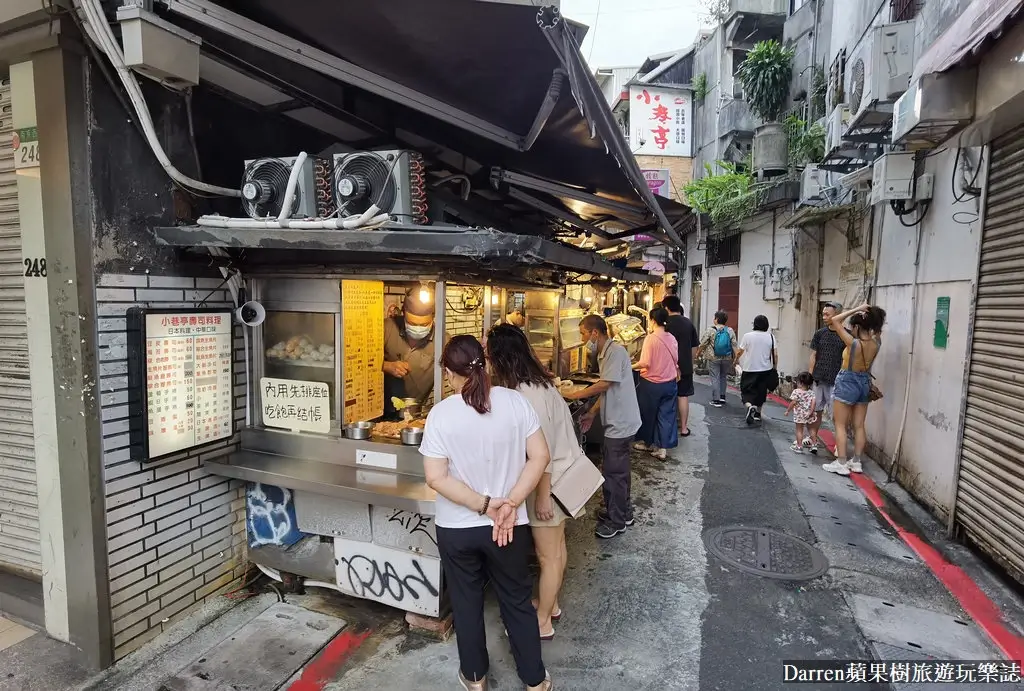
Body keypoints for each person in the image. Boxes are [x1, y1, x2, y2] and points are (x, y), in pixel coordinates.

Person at [419, 335, 553, 691]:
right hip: (508, 526)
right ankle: (535, 681)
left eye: (446, 373)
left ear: (450, 372)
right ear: (486, 363)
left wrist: (485, 504)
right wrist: (509, 503)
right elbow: (540, 457)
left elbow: (435, 477)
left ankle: (475, 679)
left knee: (466, 601)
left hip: (458, 528)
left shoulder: (440, 414)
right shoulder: (516, 403)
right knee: (516, 600)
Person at [487, 323, 583, 640]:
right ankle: (550, 604)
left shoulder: (527, 394)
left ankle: (541, 621)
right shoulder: (539, 383)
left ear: (501, 359)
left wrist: (542, 497)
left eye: (490, 356)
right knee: (557, 548)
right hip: (566, 477)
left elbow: (544, 452)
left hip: (552, 485)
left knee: (547, 556)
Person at [564, 315, 642, 539]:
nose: (582, 338)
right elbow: (608, 389)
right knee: (620, 472)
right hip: (620, 422)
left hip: (621, 424)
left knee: (613, 473)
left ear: (594, 333)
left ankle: (616, 521)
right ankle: (623, 512)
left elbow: (605, 383)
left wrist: (575, 394)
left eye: (583, 334)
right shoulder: (605, 353)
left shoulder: (615, 352)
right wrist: (591, 412)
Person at [822, 304, 887, 477]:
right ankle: (856, 462)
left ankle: (841, 462)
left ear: (857, 327)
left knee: (840, 424)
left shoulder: (853, 343)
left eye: (852, 327)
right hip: (864, 382)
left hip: (847, 381)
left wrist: (858, 308)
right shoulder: (876, 342)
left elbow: (835, 320)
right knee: (859, 425)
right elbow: (878, 326)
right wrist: (870, 315)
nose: (850, 329)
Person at [382, 287, 446, 419]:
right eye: (411, 323)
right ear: (403, 313)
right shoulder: (386, 327)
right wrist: (386, 366)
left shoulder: (442, 341)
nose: (417, 328)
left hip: (414, 414)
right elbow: (360, 360)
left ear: (433, 317)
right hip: (380, 410)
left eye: (423, 325)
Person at [632, 307, 679, 460]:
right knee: (666, 416)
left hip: (651, 384)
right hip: (670, 384)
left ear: (652, 320)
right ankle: (663, 449)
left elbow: (645, 362)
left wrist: (629, 365)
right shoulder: (671, 337)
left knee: (648, 416)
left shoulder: (651, 338)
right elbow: (676, 360)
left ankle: (648, 443)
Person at [805, 301, 846, 454]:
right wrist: (810, 375)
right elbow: (814, 355)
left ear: (838, 316)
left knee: (837, 416)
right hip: (818, 378)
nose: (824, 317)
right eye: (823, 314)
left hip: (837, 381)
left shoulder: (846, 336)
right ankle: (813, 438)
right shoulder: (820, 333)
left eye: (827, 314)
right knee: (815, 411)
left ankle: (838, 445)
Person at [662, 296, 699, 436]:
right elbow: (694, 348)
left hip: (667, 367)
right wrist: (689, 361)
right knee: (683, 396)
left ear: (666, 308)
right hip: (685, 366)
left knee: (667, 398)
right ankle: (683, 428)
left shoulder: (664, 324)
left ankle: (668, 428)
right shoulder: (688, 323)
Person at [734, 315, 778, 425]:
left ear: (754, 324)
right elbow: (775, 355)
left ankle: (750, 406)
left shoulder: (747, 336)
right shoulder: (771, 337)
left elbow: (740, 351)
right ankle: (758, 413)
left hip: (750, 369)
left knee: (746, 391)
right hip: (765, 369)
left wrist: (736, 360)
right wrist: (775, 367)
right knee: (761, 391)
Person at [698, 311, 737, 408]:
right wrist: (736, 358)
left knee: (715, 377)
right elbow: (734, 345)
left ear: (716, 319)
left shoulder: (711, 330)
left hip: (713, 357)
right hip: (727, 358)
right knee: (723, 376)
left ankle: (716, 400)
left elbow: (703, 344)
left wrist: (698, 353)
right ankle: (722, 397)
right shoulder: (730, 330)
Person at [785, 372, 818, 453]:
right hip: (809, 414)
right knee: (811, 429)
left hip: (799, 414)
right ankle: (814, 445)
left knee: (799, 430)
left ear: (801, 382)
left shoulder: (796, 392)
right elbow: (814, 403)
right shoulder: (811, 392)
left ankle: (799, 446)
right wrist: (811, 412)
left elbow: (793, 402)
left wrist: (787, 410)